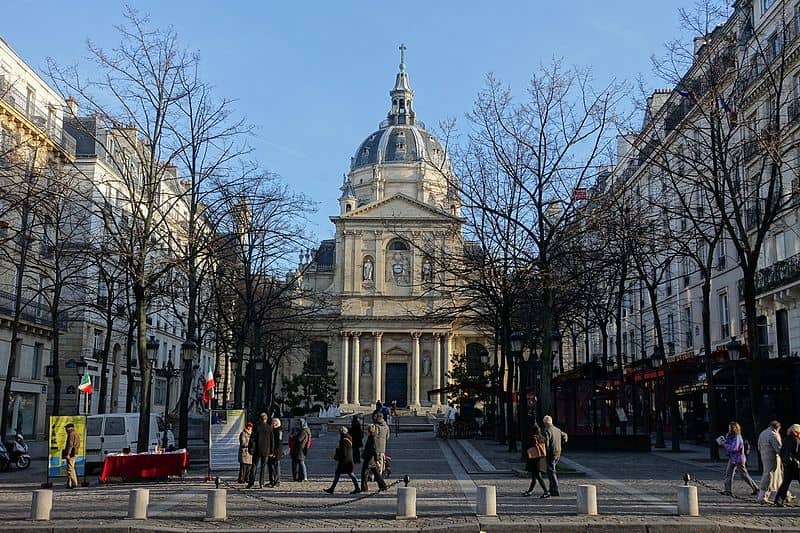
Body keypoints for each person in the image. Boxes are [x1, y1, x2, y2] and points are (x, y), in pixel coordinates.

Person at [722, 421, 758, 496]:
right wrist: (725, 441)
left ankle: (756, 488)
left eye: (730, 427)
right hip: (732, 458)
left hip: (739, 459)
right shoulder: (730, 436)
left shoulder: (737, 437)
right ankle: (728, 490)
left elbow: (734, 448)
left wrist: (724, 445)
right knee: (728, 474)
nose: (729, 429)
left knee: (744, 475)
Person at [324, 427, 360, 494]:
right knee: (349, 473)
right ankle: (357, 488)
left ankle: (332, 489)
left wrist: (337, 454)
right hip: (348, 459)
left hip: (345, 461)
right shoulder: (349, 438)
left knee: (342, 473)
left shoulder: (344, 440)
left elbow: (343, 452)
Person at [757, 420, 783, 504]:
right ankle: (763, 496)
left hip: (764, 456)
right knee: (770, 476)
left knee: (772, 475)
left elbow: (758, 446)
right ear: (777, 427)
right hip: (773, 457)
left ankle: (783, 494)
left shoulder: (763, 433)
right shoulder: (773, 434)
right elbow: (778, 448)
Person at [775, 424, 800, 507]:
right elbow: (794, 452)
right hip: (794, 464)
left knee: (785, 482)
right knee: (786, 482)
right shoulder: (795, 439)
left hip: (787, 463)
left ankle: (778, 499)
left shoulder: (786, 438)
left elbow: (782, 451)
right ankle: (779, 500)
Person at [542, 415, 567, 497]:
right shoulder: (557, 429)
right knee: (551, 470)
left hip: (551, 453)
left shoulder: (547, 431)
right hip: (558, 451)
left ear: (545, 423)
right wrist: (563, 442)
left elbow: (546, 443)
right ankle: (551, 488)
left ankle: (555, 489)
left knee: (551, 471)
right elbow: (565, 435)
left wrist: (545, 451)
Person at [247, 412, 274, 488]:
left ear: (260, 419)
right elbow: (272, 440)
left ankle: (251, 483)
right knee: (263, 467)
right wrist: (271, 451)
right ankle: (261, 483)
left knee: (254, 466)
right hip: (266, 450)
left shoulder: (256, 427)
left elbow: (252, 439)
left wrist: (250, 449)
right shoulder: (269, 428)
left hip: (257, 450)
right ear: (266, 419)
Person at [522, 424, 549, 498]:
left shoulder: (533, 438)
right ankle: (530, 491)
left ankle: (546, 491)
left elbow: (528, 447)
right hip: (541, 459)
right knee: (534, 476)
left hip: (535, 460)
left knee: (538, 476)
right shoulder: (542, 438)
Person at [361, 424, 387, 492]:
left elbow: (374, 450)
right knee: (376, 473)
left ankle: (364, 488)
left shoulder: (372, 438)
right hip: (371, 459)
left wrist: (377, 460)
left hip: (369, 459)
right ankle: (383, 486)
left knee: (364, 474)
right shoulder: (372, 437)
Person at [62, 423, 81, 489]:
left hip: (71, 454)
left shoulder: (71, 434)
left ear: (70, 428)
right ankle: (69, 484)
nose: (65, 429)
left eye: (66, 428)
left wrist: (68, 454)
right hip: (75, 453)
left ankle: (74, 483)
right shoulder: (76, 434)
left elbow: (70, 445)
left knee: (70, 469)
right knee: (70, 468)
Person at [374, 412, 390, 476]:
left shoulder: (375, 426)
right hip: (383, 446)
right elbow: (387, 437)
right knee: (382, 460)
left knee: (376, 461)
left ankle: (378, 475)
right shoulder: (386, 426)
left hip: (375, 446)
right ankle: (381, 474)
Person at [268, 418, 283, 487]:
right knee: (271, 467)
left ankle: (277, 481)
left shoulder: (278, 431)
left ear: (276, 423)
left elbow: (278, 444)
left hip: (276, 452)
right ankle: (272, 480)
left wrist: (274, 453)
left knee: (276, 467)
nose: (271, 424)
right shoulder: (273, 430)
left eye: (273, 423)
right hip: (272, 451)